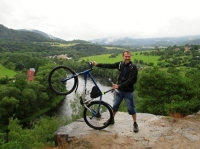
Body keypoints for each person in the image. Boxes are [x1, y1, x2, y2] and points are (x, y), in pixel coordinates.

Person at [93, 50, 139, 132]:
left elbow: (130, 80)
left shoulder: (133, 67)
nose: (127, 58)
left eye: (129, 56)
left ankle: (135, 124)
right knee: (115, 106)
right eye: (126, 56)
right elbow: (110, 65)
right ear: (123, 57)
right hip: (119, 91)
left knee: (131, 108)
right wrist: (97, 65)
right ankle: (111, 120)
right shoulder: (120, 64)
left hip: (128, 91)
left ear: (130, 56)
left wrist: (118, 86)